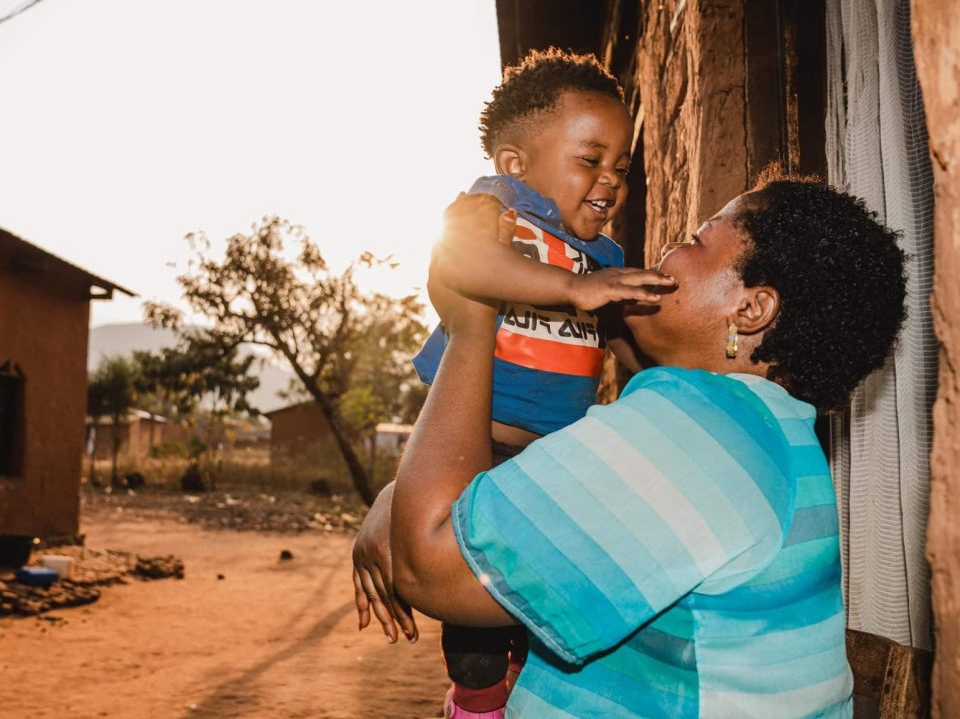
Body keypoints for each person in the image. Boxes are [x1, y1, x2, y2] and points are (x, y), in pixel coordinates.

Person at [353, 170, 907, 718]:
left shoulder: (696, 430)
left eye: (696, 240)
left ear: (751, 309)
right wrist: (404, 493)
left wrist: (472, 317)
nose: (670, 246)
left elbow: (432, 567)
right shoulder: (766, 435)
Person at [409, 49, 673, 718]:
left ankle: (531, 690)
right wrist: (573, 288)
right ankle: (473, 702)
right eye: (590, 159)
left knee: (544, 594)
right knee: (474, 622)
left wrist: (666, 382)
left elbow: (623, 342)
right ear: (515, 163)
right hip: (478, 451)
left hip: (557, 457)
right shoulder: (499, 210)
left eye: (620, 166)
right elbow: (465, 263)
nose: (610, 181)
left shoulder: (604, 256)